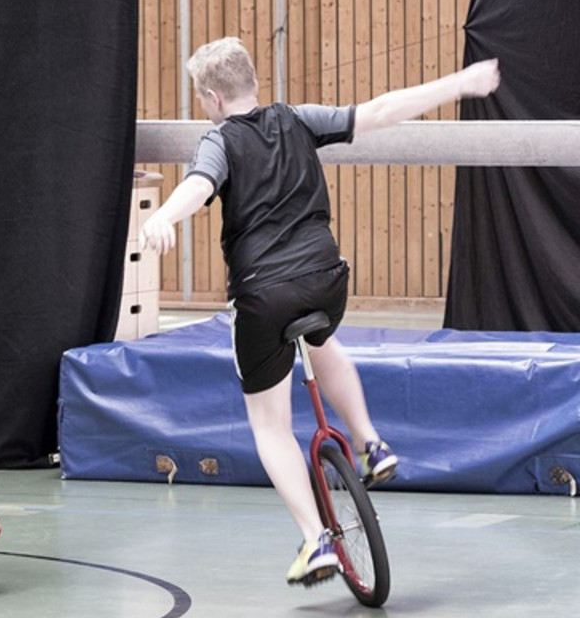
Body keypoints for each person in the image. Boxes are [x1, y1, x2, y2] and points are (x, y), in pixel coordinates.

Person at [141, 37, 500, 585]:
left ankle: (316, 542)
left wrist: (162, 217)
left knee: (270, 425)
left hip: (264, 295)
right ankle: (368, 441)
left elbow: (199, 183)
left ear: (212, 98)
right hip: (327, 282)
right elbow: (380, 110)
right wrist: (460, 83)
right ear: (254, 83)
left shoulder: (219, 139)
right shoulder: (297, 119)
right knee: (321, 339)